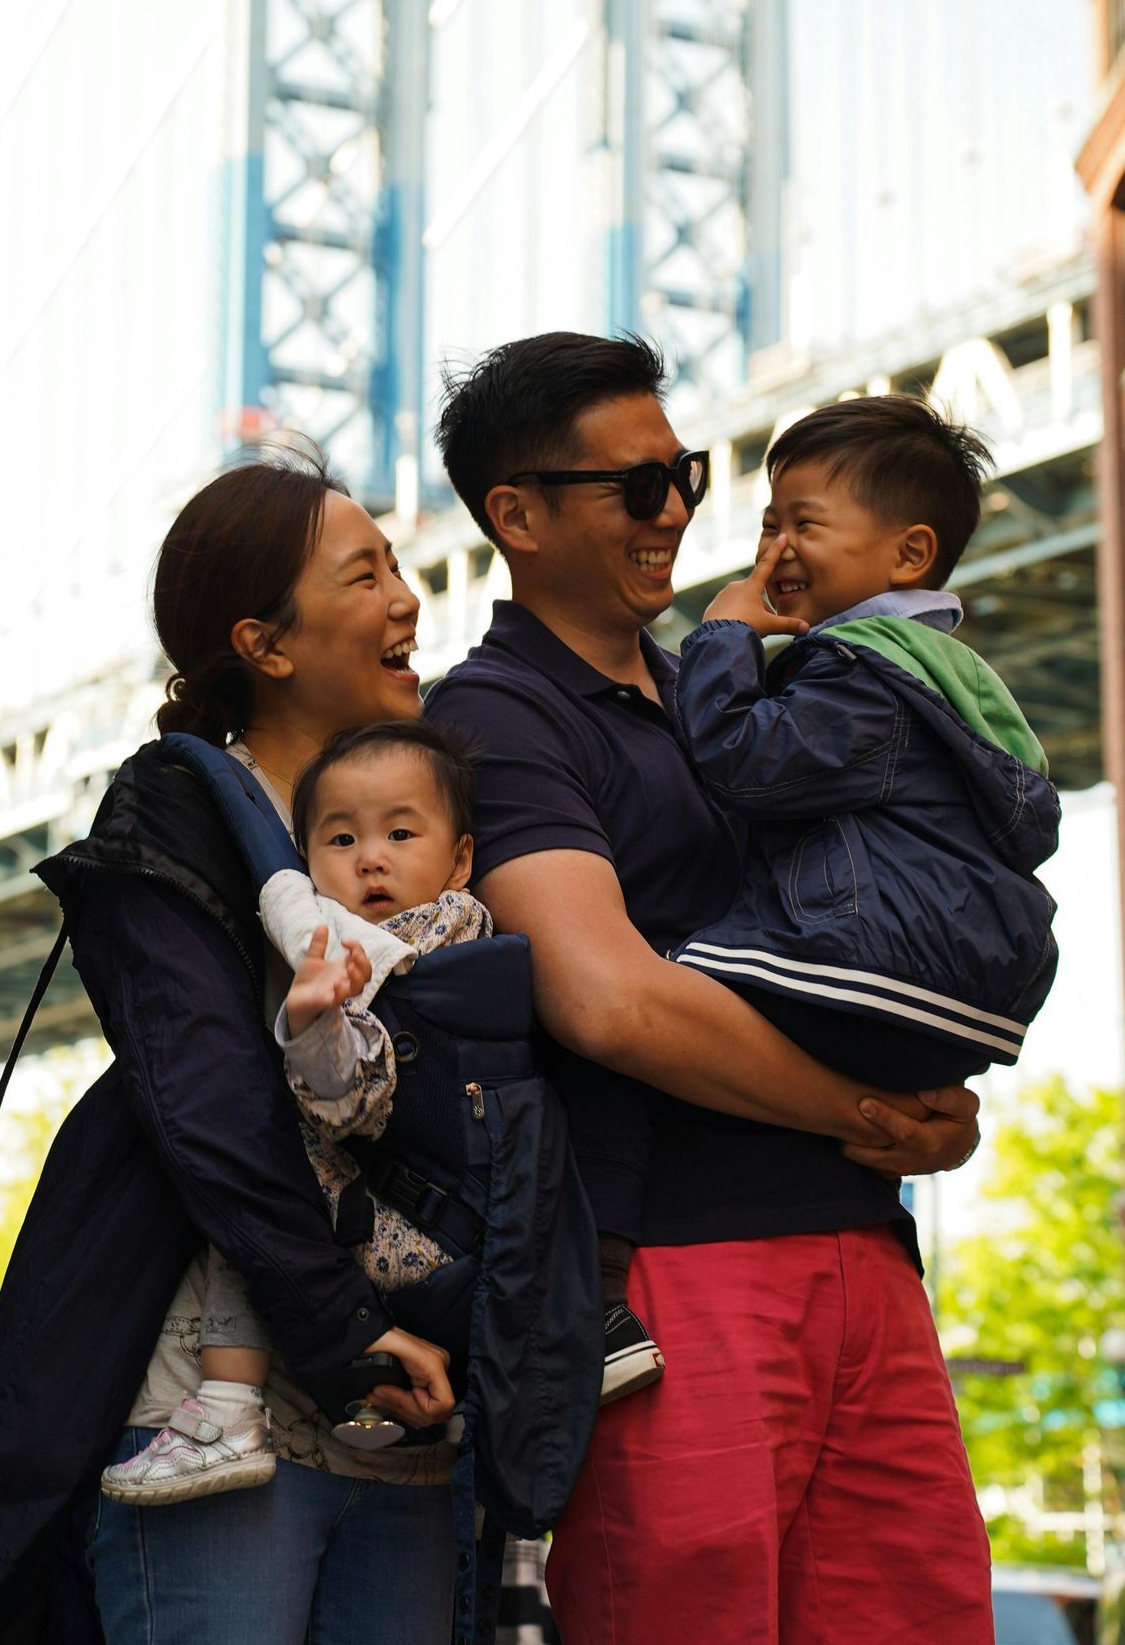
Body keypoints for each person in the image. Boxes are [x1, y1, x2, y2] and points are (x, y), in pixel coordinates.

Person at [432, 333, 994, 1645]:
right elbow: (606, 1001)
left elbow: (875, 935)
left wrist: (933, 1103)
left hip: (869, 1255)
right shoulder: (499, 717)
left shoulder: (741, 693)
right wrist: (864, 1108)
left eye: (682, 473)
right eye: (636, 487)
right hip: (677, 1269)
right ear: (516, 514)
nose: (679, 508)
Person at [0, 459, 465, 1645]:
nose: (408, 596)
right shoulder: (177, 811)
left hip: (414, 1417)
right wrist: (343, 1328)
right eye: (367, 573)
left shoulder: (438, 826)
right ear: (266, 643)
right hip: (212, 1424)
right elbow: (209, 1101)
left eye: (402, 566)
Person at [101, 721, 488, 1504]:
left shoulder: (393, 949)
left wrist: (313, 1024)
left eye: (400, 833)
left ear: (462, 857)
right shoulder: (473, 931)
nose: (371, 857)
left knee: (255, 1190)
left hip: (393, 1235)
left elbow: (350, 1095)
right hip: (456, 1242)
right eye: (340, 840)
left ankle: (228, 1406)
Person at [669, 391, 1059, 1086]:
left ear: (910, 555)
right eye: (768, 524)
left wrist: (720, 638)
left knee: (645, 1000)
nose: (774, 549)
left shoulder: (862, 672)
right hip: (947, 990)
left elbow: (744, 762)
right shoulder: (938, 670)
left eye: (805, 525)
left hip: (859, 969)